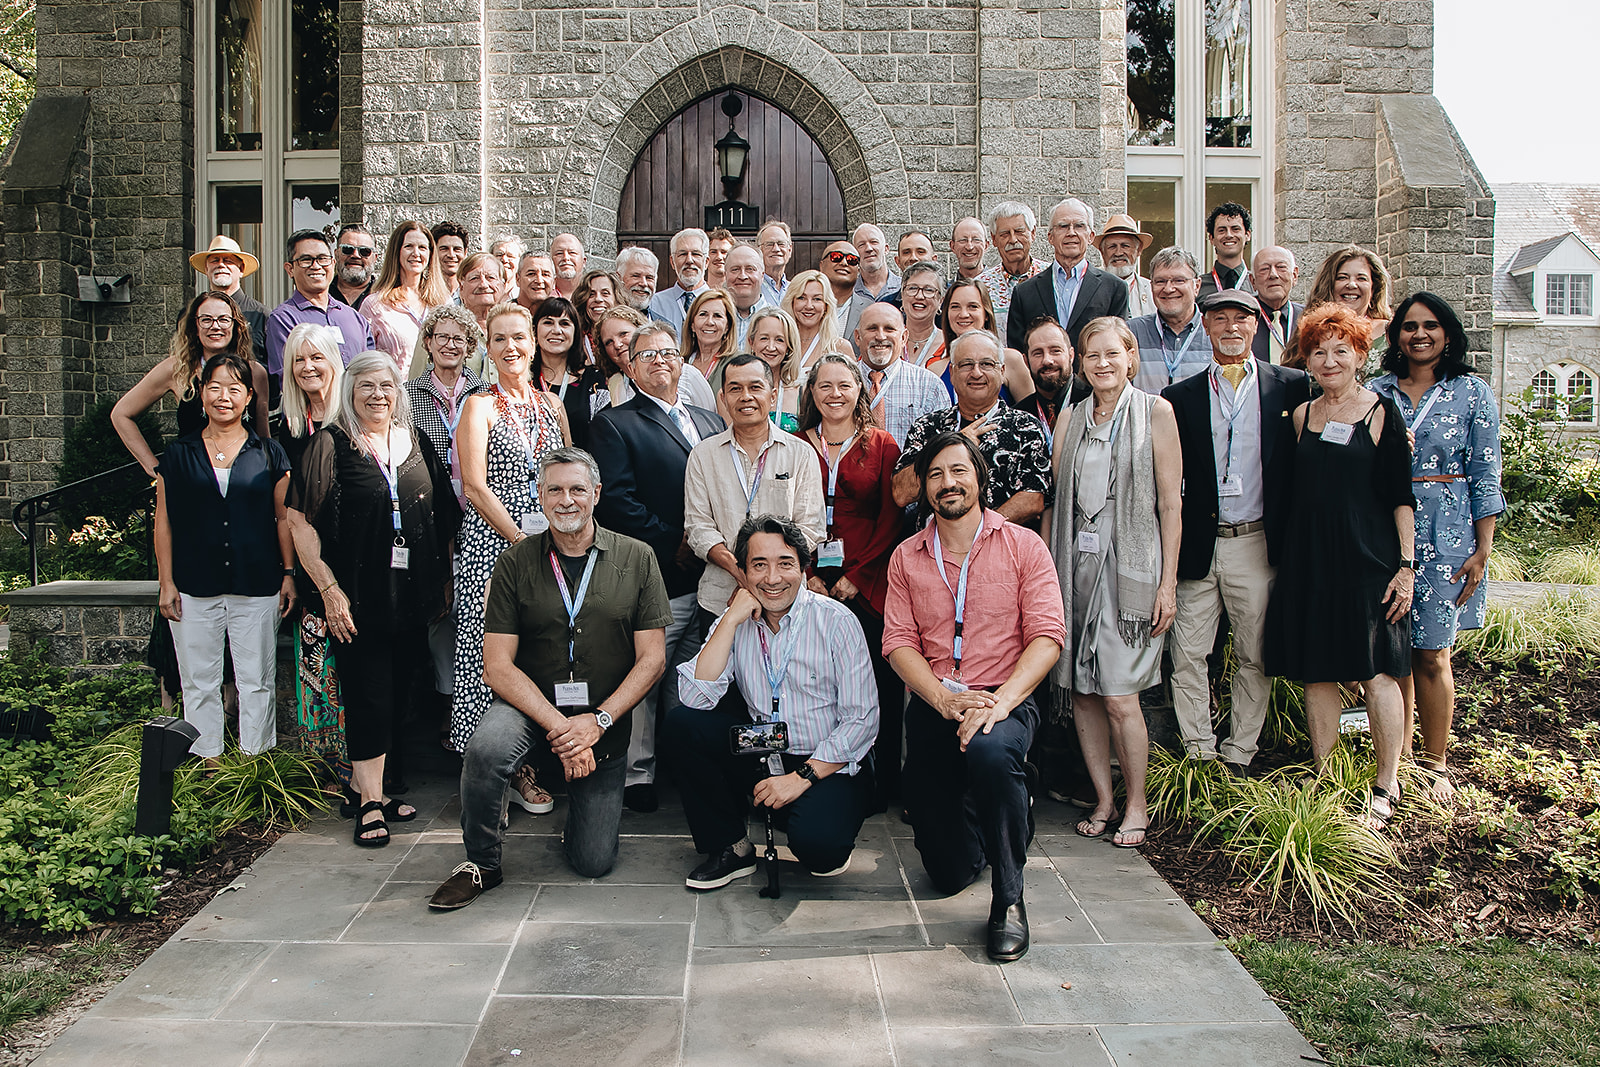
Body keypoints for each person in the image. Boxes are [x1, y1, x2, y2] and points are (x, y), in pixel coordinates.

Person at [427, 448, 673, 909]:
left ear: (596, 494)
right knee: (486, 748)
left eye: (577, 489)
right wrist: (563, 728)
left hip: (603, 716)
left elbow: (652, 660)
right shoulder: (515, 562)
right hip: (528, 706)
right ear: (539, 496)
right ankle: (480, 863)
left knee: (593, 862)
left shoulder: (638, 558)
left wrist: (596, 722)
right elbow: (496, 666)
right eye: (554, 489)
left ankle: (578, 819)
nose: (566, 500)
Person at [883, 432, 1067, 962]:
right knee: (948, 873)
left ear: (980, 481)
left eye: (959, 471)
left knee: (991, 750)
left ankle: (1009, 898)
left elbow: (1048, 635)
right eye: (936, 474)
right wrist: (942, 700)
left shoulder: (1024, 546)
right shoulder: (907, 557)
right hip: (938, 699)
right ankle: (1005, 808)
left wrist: (1001, 702)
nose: (948, 483)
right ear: (924, 488)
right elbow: (897, 642)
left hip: (1004, 697)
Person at [287, 352, 461, 846]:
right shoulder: (331, 443)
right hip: (357, 595)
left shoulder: (417, 441)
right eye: (366, 386)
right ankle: (367, 802)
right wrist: (328, 587)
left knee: (404, 689)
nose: (377, 394)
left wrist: (445, 578)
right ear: (351, 392)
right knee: (369, 693)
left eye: (386, 385)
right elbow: (300, 522)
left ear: (398, 390)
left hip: (414, 592)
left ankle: (382, 787)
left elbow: (443, 517)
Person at [1265, 304, 1416, 830]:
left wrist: (1406, 566)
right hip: (1310, 562)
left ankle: (1386, 782)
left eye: (1340, 350)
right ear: (1306, 359)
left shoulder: (1380, 413)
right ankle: (1326, 775)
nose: (1329, 360)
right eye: (1318, 351)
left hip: (1367, 562)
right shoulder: (1303, 415)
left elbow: (1401, 495)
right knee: (1317, 672)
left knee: (1377, 672)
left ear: (1360, 355)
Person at [669, 515, 880, 888]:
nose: (772, 578)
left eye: (785, 564)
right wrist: (731, 618)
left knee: (821, 850)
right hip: (762, 747)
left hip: (824, 759)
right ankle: (731, 847)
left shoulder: (836, 621)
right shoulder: (737, 619)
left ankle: (803, 813)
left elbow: (862, 720)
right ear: (744, 572)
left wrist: (800, 779)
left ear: (802, 567)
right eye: (759, 565)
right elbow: (694, 697)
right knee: (684, 725)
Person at [1044, 317, 1182, 849]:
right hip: (1075, 570)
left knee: (1121, 696)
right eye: (1091, 356)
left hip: (1130, 572)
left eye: (1111, 354)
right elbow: (1056, 502)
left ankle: (1137, 806)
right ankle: (1103, 799)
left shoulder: (1156, 413)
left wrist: (1166, 584)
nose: (1101, 364)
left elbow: (1170, 505)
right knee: (1082, 691)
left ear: (1130, 358)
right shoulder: (1072, 417)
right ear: (1081, 363)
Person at [1161, 289, 1310, 776]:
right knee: (1188, 654)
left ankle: (1240, 751)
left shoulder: (1291, 387)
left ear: (1256, 326)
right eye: (1219, 318)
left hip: (1257, 542)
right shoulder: (1178, 398)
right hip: (1199, 545)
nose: (1230, 327)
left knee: (1254, 653)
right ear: (1205, 326)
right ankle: (1199, 750)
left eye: (1240, 319)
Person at [1369, 292, 1504, 801]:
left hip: (1449, 528)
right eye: (1408, 326)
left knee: (1431, 653)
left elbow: (1486, 472)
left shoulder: (1470, 391)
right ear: (1396, 336)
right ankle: (1397, 761)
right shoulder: (1378, 390)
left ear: (1447, 333)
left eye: (1429, 326)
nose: (1418, 334)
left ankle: (1435, 761)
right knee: (1392, 650)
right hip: (1387, 528)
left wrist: (1482, 547)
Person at [590, 322, 726, 813]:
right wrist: (677, 544)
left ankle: (682, 762)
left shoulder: (710, 421)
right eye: (646, 355)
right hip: (657, 577)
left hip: (712, 580)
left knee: (690, 676)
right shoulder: (614, 423)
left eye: (668, 353)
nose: (660, 361)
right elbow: (618, 502)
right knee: (645, 674)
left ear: (682, 359)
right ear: (630, 365)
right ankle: (638, 773)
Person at [155, 353, 295, 765]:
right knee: (199, 681)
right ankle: (207, 764)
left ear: (249, 397)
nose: (224, 396)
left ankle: (255, 766)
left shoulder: (269, 453)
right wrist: (167, 582)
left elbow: (283, 518)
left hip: (258, 583)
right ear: (201, 394)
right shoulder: (177, 455)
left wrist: (288, 573)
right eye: (215, 387)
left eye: (234, 388)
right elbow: (164, 523)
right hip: (194, 584)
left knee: (256, 681)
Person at [448, 302, 573, 764]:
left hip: (550, 549)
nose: (510, 347)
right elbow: (475, 488)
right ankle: (487, 769)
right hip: (493, 548)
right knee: (488, 652)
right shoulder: (478, 406)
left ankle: (532, 760)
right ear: (488, 345)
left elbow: (569, 478)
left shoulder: (552, 405)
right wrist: (521, 542)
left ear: (533, 342)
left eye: (518, 336)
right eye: (499, 338)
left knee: (539, 648)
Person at [798, 354, 906, 807]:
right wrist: (807, 575)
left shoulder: (882, 445)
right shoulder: (796, 445)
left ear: (859, 391)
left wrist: (858, 577)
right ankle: (826, 770)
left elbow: (892, 517)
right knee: (821, 682)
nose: (835, 394)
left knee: (877, 681)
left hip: (869, 582)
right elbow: (786, 517)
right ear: (812, 394)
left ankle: (880, 785)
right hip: (809, 582)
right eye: (825, 386)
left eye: (844, 385)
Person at [684, 353, 826, 627]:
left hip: (786, 599)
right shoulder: (703, 455)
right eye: (735, 389)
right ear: (723, 398)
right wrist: (742, 574)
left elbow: (811, 527)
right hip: (720, 599)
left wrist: (765, 573)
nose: (745, 396)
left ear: (772, 396)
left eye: (755, 387)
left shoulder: (801, 454)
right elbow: (698, 527)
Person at [893, 330, 1054, 529]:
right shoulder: (928, 426)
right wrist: (951, 446)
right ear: (951, 373)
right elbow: (901, 493)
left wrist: (978, 532)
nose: (976, 373)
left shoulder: (1025, 427)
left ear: (1002, 371)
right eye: (967, 364)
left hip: (1002, 548)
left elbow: (1033, 499)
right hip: (934, 551)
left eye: (986, 364)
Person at [113, 291, 272, 477]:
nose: (215, 326)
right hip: (191, 478)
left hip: (244, 479)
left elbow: (263, 435)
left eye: (223, 319)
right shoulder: (176, 369)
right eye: (206, 320)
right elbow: (121, 414)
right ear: (195, 325)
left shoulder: (255, 373)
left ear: (235, 325)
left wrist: (269, 475)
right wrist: (155, 469)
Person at [1006, 198, 1130, 356]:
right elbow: (1017, 353)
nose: (1071, 232)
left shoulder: (1114, 289)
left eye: (1079, 226)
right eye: (1063, 226)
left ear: (1091, 236)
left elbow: (1119, 347)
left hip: (1093, 378)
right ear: (1050, 237)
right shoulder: (1024, 292)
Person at [267, 229, 373, 393]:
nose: (316, 266)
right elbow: (286, 379)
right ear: (290, 269)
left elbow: (371, 371)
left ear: (332, 263)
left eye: (322, 259)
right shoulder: (283, 319)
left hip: (357, 415)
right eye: (306, 260)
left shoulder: (354, 317)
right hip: (312, 416)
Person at [405, 304, 488, 511]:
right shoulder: (408, 394)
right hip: (428, 504)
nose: (450, 345)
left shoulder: (485, 393)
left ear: (469, 346)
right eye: (442, 337)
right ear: (428, 342)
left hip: (477, 505)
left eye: (458, 339)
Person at [855, 302, 948, 448]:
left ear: (904, 338)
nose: (880, 336)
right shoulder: (841, 384)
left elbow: (943, 446)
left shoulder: (929, 385)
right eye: (872, 328)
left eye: (889, 329)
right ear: (857, 337)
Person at [362, 219, 449, 371]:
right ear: (397, 252)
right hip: (397, 391)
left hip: (439, 392)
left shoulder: (443, 302)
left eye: (422, 247)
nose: (416, 253)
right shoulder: (375, 305)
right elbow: (363, 362)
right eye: (409, 246)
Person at [1128, 247, 1212, 395]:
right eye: (1160, 281)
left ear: (1197, 286)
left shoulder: (1214, 333)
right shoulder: (1132, 333)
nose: (1168, 289)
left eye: (1179, 280)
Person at [1299, 245, 1393, 374]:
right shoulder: (1309, 333)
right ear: (1329, 285)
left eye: (1361, 278)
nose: (1351, 284)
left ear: (1374, 288)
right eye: (1342, 277)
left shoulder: (1390, 334)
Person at [531, 295, 607, 446]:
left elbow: (605, 437)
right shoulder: (524, 381)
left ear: (575, 333)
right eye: (548, 322)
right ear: (534, 331)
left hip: (583, 467)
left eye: (564, 323)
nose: (556, 330)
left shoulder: (594, 382)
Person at [276, 323, 345, 470]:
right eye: (299, 360)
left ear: (333, 362)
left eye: (316, 358)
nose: (307, 367)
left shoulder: (353, 417)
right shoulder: (290, 428)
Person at [976, 201, 1047, 342]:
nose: (1013, 240)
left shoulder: (1051, 277)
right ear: (994, 239)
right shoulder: (980, 285)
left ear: (1033, 234)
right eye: (1005, 234)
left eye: (1019, 231)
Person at [190, 234, 268, 355]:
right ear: (206, 268)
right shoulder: (190, 314)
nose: (221, 265)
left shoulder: (261, 315)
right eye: (215, 260)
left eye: (228, 261)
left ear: (241, 269)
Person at [1008, 318, 1075, 435]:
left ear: (1071, 355)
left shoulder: (1094, 403)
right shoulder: (1016, 416)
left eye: (1055, 351)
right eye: (1038, 353)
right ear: (1026, 361)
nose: (1047, 360)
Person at [779, 268, 850, 375]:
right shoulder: (780, 344)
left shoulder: (839, 347)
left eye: (817, 299)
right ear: (792, 302)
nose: (809, 306)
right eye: (801, 298)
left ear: (826, 305)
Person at [745, 307, 804, 432]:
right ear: (751, 342)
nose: (771, 347)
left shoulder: (802, 393)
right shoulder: (734, 392)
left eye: (779, 340)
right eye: (764, 338)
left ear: (789, 346)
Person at [648, 227, 712, 333]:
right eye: (682, 254)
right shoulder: (655, 303)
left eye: (696, 254)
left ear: (706, 262)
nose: (689, 260)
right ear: (672, 262)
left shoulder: (719, 303)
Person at [1094, 214, 1156, 319]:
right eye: (1112, 247)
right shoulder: (1091, 289)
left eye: (1125, 246)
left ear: (1139, 250)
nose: (1118, 253)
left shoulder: (1152, 290)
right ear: (1102, 251)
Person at [680, 288, 740, 395]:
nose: (710, 322)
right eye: (703, 314)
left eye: (717, 316)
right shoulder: (680, 362)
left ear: (727, 327)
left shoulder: (737, 363)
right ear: (692, 325)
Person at [1250, 246, 1302, 365]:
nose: (1273, 275)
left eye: (1281, 267)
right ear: (1253, 281)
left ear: (1294, 276)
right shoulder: (1243, 320)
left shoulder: (1309, 318)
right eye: (1264, 269)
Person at [1197, 202, 1254, 299]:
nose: (1229, 235)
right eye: (1222, 230)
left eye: (1235, 229)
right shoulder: (1197, 287)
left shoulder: (1258, 285)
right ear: (1211, 238)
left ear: (1247, 235)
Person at [900, 262, 947, 371]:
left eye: (929, 290)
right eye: (912, 288)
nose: (919, 296)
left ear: (941, 300)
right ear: (902, 295)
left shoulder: (951, 346)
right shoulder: (886, 340)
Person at [724, 244, 773, 347]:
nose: (742, 276)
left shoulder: (776, 319)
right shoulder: (713, 318)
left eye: (750, 269)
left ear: (762, 276)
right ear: (725, 275)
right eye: (735, 269)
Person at [572, 268, 620, 366]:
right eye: (591, 294)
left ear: (616, 299)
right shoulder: (575, 339)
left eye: (605, 293)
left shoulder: (629, 338)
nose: (598, 299)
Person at [820, 241, 863, 340]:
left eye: (852, 260)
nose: (844, 263)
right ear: (822, 265)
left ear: (858, 271)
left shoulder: (869, 308)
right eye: (836, 257)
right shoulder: (805, 306)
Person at [332, 224, 378, 311]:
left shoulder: (385, 298)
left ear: (374, 258)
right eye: (347, 249)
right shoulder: (321, 295)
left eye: (364, 251)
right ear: (336, 254)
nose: (355, 255)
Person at [430, 219, 470, 298]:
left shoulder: (472, 292)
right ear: (433, 252)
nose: (451, 255)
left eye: (457, 249)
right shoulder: (422, 292)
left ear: (465, 253)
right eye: (444, 249)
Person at [757, 220, 793, 304]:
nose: (776, 249)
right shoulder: (752, 288)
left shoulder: (796, 289)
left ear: (790, 250)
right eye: (769, 244)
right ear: (759, 250)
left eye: (781, 244)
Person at [616, 246, 659, 311]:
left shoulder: (662, 321)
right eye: (636, 276)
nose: (644, 283)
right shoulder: (604, 319)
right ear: (618, 278)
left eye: (649, 278)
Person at [950, 216, 988, 281]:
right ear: (953, 246)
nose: (969, 247)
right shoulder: (946, 290)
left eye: (976, 240)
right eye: (963, 240)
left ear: (986, 246)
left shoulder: (1002, 289)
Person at [550, 232, 587, 299]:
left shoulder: (592, 295)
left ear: (583, 261)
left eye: (572, 252)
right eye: (559, 253)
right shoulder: (542, 295)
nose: (566, 258)